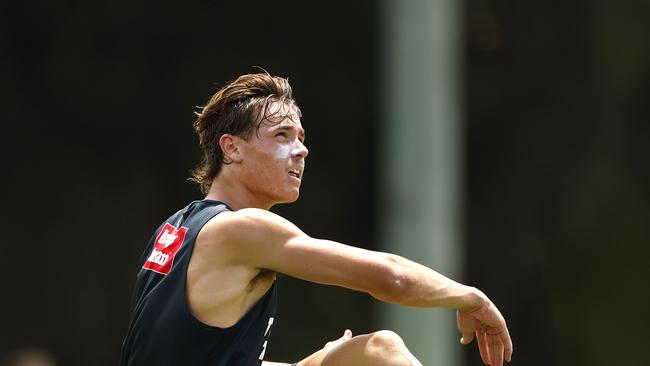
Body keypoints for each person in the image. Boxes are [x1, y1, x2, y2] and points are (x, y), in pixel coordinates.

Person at [120, 72, 513, 366]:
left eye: (301, 138)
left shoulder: (176, 228)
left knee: (370, 353)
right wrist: (472, 298)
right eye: (282, 136)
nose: (301, 150)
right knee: (383, 352)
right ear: (232, 148)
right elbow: (393, 277)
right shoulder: (243, 229)